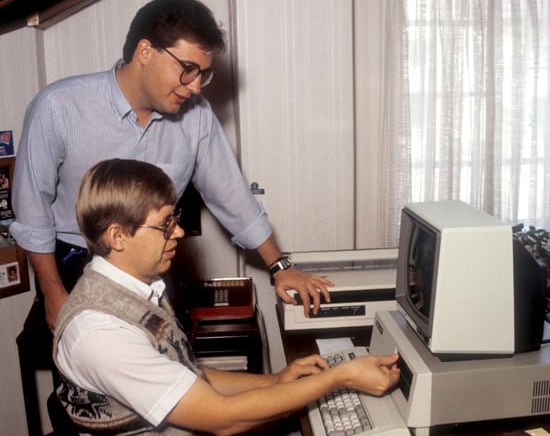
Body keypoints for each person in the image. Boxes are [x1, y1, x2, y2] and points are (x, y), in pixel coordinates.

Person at [11, 0, 333, 333]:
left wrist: (280, 267)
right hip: (74, 268)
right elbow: (32, 213)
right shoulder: (58, 106)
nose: (195, 87)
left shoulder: (197, 118)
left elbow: (232, 197)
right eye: (187, 69)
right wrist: (52, 293)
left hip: (153, 271)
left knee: (171, 374)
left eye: (203, 75)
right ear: (145, 52)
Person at [53, 158, 400, 435]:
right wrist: (339, 377)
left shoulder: (137, 288)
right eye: (164, 224)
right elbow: (224, 420)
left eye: (175, 218)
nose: (179, 231)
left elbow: (186, 375)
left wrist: (275, 380)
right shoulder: (100, 333)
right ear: (118, 237)